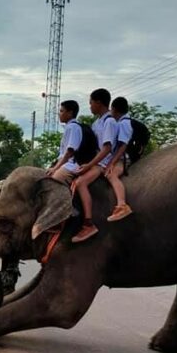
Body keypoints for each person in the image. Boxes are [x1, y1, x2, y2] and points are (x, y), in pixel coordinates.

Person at [71, 88, 117, 243]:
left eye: (91, 102)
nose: (89, 106)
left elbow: (107, 148)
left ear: (98, 103)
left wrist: (90, 165)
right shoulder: (97, 122)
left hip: (103, 162)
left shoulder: (109, 121)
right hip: (95, 159)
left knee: (81, 183)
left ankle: (88, 224)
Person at [104, 96, 134, 222]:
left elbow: (123, 145)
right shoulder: (123, 122)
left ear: (115, 109)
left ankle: (122, 205)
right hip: (120, 157)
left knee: (112, 175)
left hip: (123, 158)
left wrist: (112, 162)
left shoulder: (124, 124)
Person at [45, 100, 82, 185]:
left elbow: (69, 152)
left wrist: (55, 168)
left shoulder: (73, 127)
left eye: (62, 111)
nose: (59, 114)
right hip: (65, 163)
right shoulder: (70, 127)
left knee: (53, 182)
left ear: (70, 113)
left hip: (70, 165)